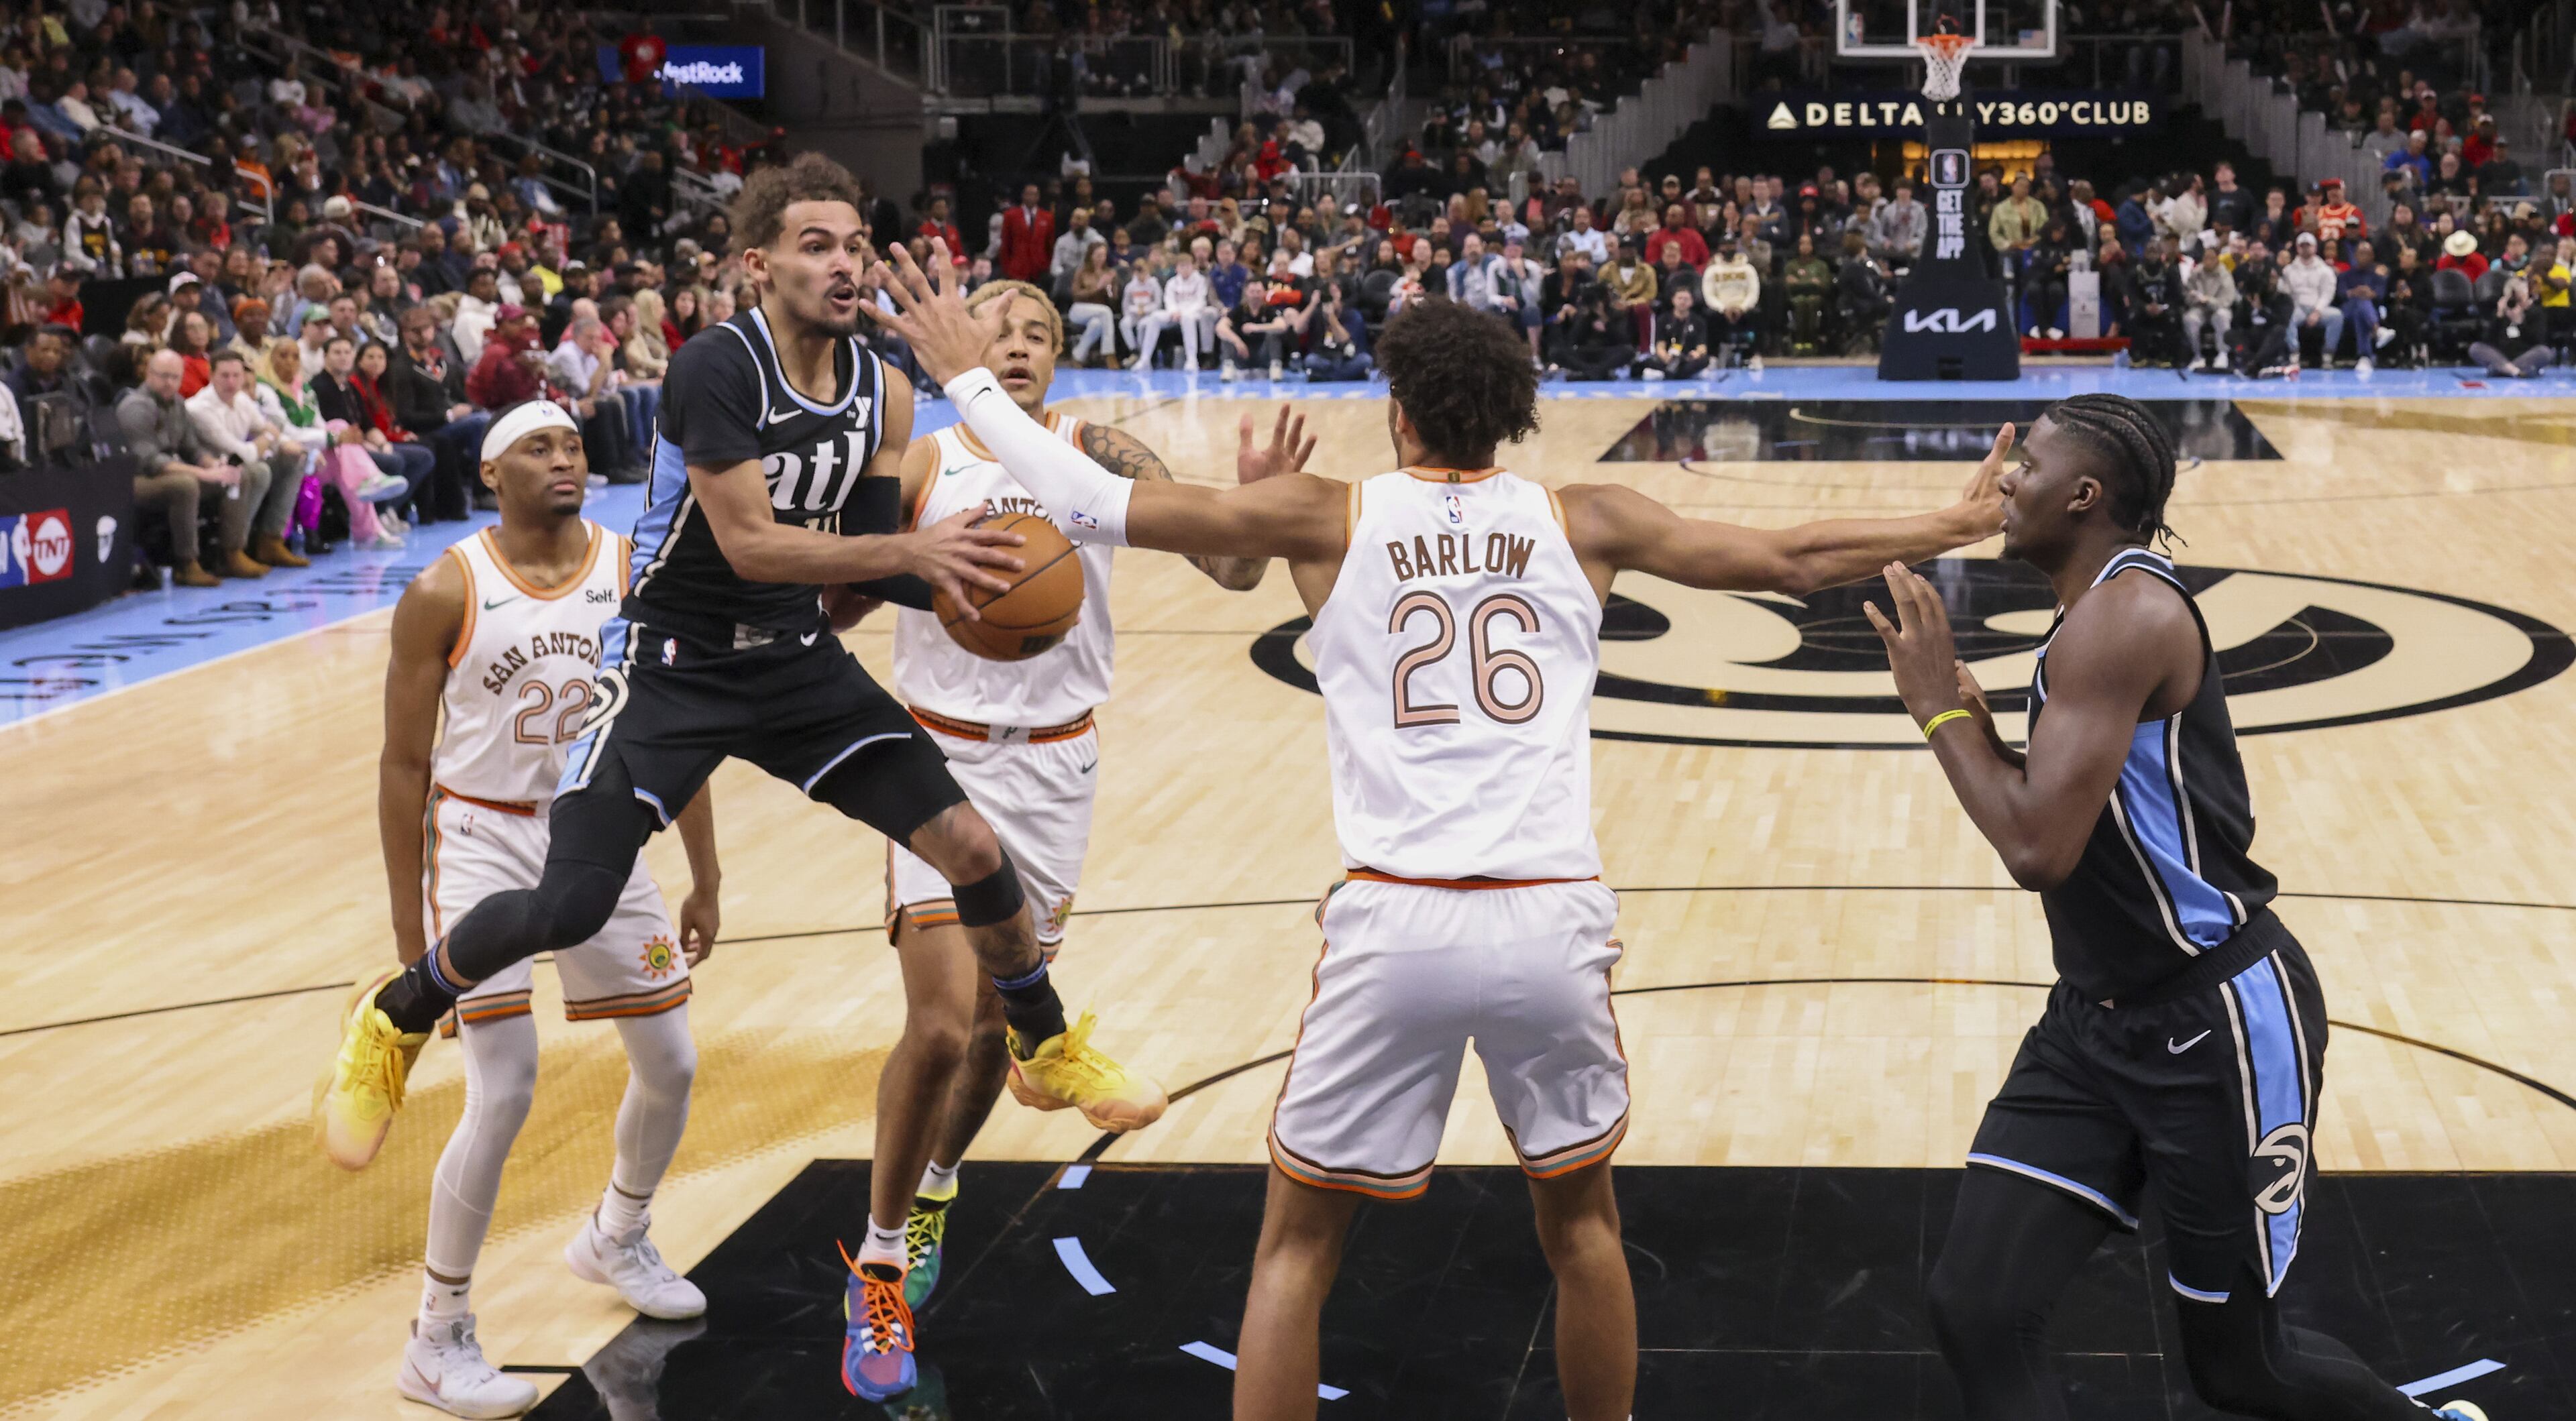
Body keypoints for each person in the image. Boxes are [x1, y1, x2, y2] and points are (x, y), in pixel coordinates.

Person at [863, 251, 2009, 1421]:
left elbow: (1098, 498)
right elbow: (1793, 557)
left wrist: (969, 382)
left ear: (1397, 410)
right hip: (1549, 917)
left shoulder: (1329, 515)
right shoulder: (1587, 517)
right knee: (1582, 1228)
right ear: (1513, 416)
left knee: (1295, 1250)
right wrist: (1956, 517)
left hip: (1396, 915)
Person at [315, 155, 1165, 1407]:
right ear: (758, 262)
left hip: (797, 663)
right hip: (671, 666)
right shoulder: (716, 364)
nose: (842, 262)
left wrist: (973, 587)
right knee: (565, 902)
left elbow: (842, 583)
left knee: (976, 855)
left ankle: (1045, 1033)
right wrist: (919, 545)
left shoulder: (881, 388)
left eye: (855, 241)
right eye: (815, 243)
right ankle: (391, 1014)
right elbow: (754, 542)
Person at [1863, 393, 2493, 1421]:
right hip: (2095, 1022)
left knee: (2246, 1367)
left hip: (2216, 1023)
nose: (2003, 481)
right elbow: (2074, 808)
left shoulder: (2126, 614)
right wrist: (1974, 719)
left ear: (2085, 494)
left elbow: (2036, 844)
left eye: (2027, 467)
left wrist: (1937, 704)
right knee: (1977, 1303)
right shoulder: (2093, 613)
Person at [849, 278, 1270, 1317]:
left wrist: (1253, 505)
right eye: (1000, 328)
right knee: (943, 1022)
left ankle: (938, 1189)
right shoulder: (924, 462)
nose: (1022, 344)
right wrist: (914, 564)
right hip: (936, 758)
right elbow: (834, 592)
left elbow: (1232, 568)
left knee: (997, 1029)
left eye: (1040, 332)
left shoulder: (1101, 455)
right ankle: (881, 1258)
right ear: (962, 342)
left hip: (1057, 765)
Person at [380, 402, 722, 1418]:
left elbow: (679, 721)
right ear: (492, 472)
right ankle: (436, 1336)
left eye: (573, 443)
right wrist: (413, 934)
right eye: (539, 446)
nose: (565, 457)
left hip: (605, 825)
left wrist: (706, 869)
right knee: (506, 1084)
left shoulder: (633, 569)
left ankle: (617, 1232)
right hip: (485, 840)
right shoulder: (446, 588)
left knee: (673, 1061)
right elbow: (403, 766)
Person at [119, 348, 258, 585]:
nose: (169, 383)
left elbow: (192, 449)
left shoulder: (177, 404)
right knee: (185, 485)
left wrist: (214, 464)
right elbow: (151, 462)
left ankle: (231, 552)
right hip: (135, 480)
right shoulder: (135, 407)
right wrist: (204, 473)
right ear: (148, 374)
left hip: (171, 472)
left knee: (236, 475)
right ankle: (187, 563)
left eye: (175, 377)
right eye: (163, 376)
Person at [186, 349, 309, 569]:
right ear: (212, 375)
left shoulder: (242, 399)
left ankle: (271, 539)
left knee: (295, 458)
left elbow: (267, 429)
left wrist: (280, 441)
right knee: (258, 471)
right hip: (215, 470)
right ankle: (235, 547)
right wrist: (271, 437)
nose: (231, 382)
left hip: (240, 464)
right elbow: (243, 454)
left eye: (236, 376)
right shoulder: (199, 409)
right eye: (225, 376)